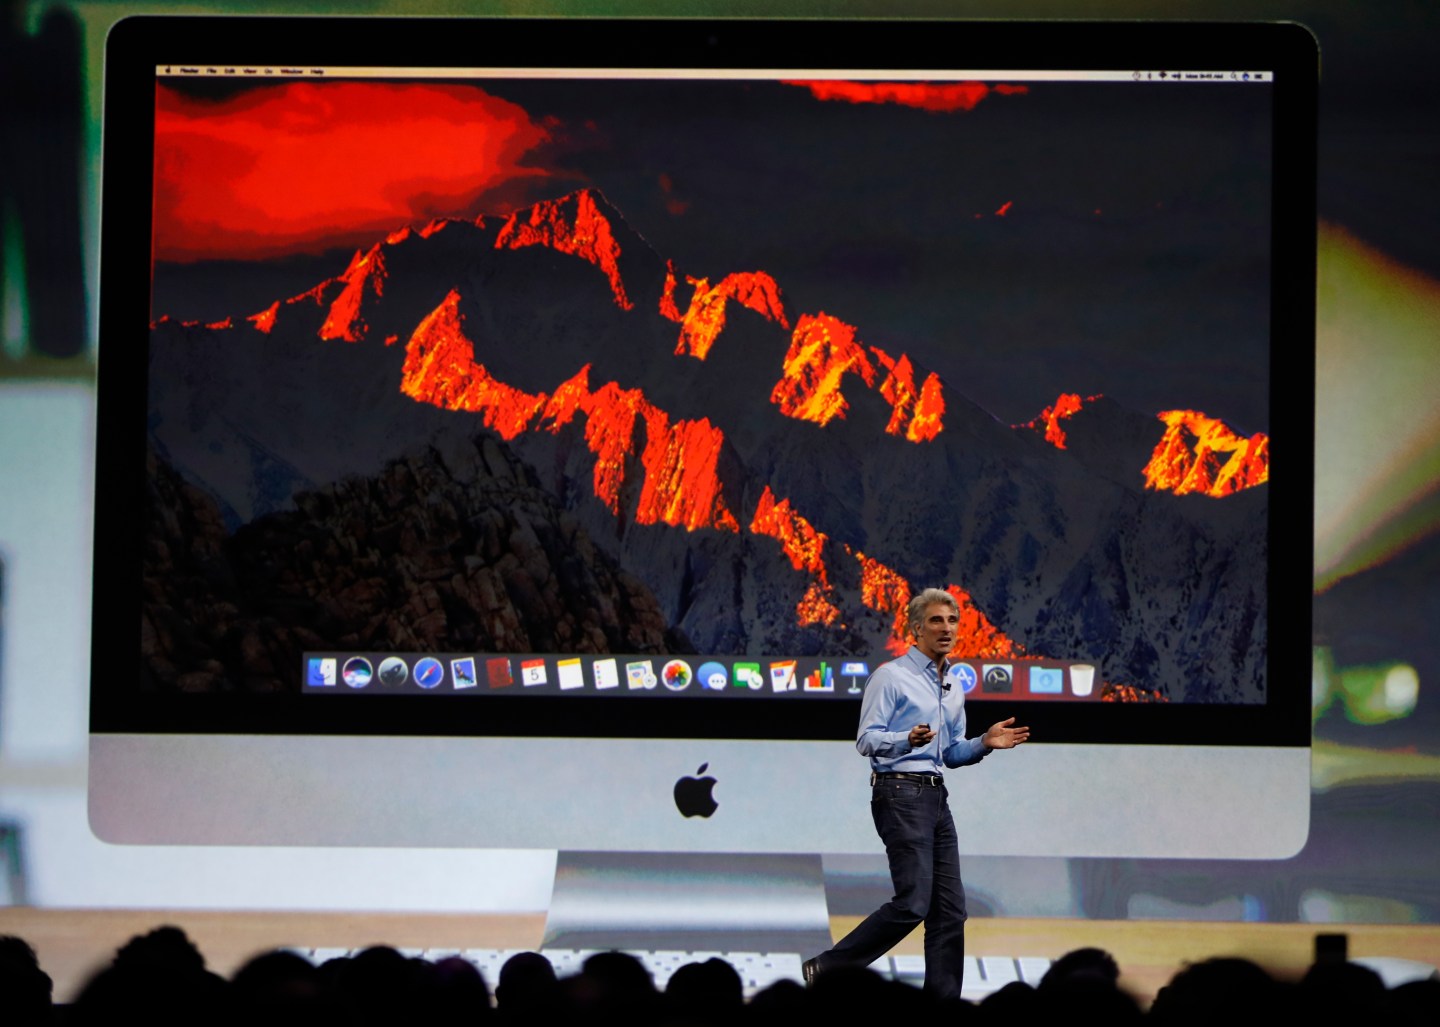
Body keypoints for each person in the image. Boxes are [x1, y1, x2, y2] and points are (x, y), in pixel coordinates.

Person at [802, 587, 1030, 1001]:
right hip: (900, 792)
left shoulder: (953, 686)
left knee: (950, 912)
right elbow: (867, 740)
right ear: (915, 628)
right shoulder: (891, 677)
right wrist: (906, 740)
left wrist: (984, 742)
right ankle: (830, 968)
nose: (946, 629)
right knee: (912, 903)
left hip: (936, 796)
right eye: (936, 621)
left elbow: (950, 754)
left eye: (952, 621)